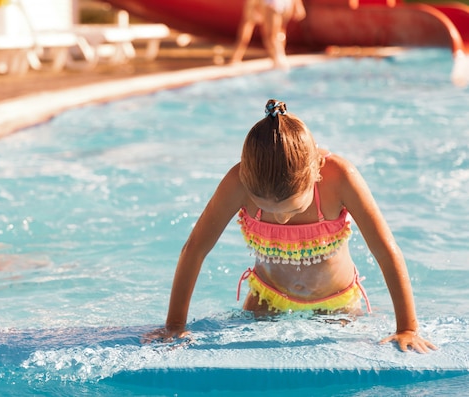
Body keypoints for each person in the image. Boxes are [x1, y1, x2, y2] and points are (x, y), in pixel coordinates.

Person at [144, 99, 437, 354]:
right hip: (266, 300)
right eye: (270, 211)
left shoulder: (340, 178)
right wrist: (174, 325)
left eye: (293, 209)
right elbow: (195, 249)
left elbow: (385, 251)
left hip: (336, 303)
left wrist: (408, 328)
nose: (282, 218)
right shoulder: (238, 182)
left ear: (316, 172)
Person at [230, 0, 306, 69]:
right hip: (286, 3)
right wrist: (298, 4)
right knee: (279, 32)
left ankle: (279, 60)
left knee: (270, 35)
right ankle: (279, 59)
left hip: (272, 3)